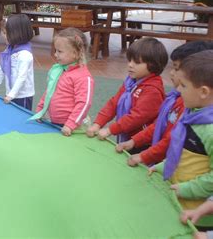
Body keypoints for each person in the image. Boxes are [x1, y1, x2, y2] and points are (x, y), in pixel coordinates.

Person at [116, 41, 213, 166]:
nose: (171, 73)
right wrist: (134, 141)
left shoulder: (190, 108)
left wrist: (145, 156)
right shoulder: (176, 99)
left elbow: (171, 139)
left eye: (177, 68)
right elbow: (159, 125)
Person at [151, 50, 213, 230]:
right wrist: (161, 166)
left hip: (199, 216)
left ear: (203, 92)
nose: (178, 90)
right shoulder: (192, 114)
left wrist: (186, 189)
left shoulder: (209, 129)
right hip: (181, 204)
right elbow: (181, 153)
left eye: (183, 86)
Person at [86, 38, 168, 152]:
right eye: (129, 60)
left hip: (143, 143)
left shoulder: (152, 91)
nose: (130, 65)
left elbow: (136, 118)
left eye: (136, 62)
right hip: (128, 137)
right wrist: (98, 123)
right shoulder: (131, 82)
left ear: (153, 65)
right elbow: (114, 102)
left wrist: (110, 130)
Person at [30, 27, 94, 136]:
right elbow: (50, 91)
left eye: (59, 51)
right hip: (57, 124)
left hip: (73, 128)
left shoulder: (83, 77)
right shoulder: (60, 70)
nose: (55, 54)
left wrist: (70, 124)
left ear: (76, 53)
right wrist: (40, 109)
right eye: (55, 50)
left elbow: (84, 103)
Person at [0, 14, 34, 110]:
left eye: (5, 33)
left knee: (21, 118)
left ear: (18, 33)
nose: (3, 36)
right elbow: (1, 67)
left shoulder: (25, 55)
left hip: (22, 96)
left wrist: (11, 95)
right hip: (11, 93)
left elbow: (22, 77)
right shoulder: (9, 50)